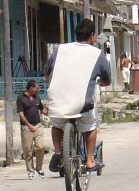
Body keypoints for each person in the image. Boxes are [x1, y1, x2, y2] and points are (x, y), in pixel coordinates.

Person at [44, 19, 112, 173]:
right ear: (92, 35)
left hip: (57, 101)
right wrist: (101, 82)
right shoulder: (97, 54)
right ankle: (89, 160)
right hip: (81, 104)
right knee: (90, 126)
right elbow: (107, 80)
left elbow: (46, 74)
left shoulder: (59, 50)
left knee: (57, 124)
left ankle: (57, 150)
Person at [16, 79, 47, 179]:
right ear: (31, 88)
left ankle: (39, 168)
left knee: (40, 147)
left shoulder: (37, 97)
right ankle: (30, 171)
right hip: (26, 128)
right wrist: (29, 125)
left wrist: (49, 109)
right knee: (27, 150)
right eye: (36, 88)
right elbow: (21, 114)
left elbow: (43, 109)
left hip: (38, 126)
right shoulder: (21, 98)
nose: (38, 90)